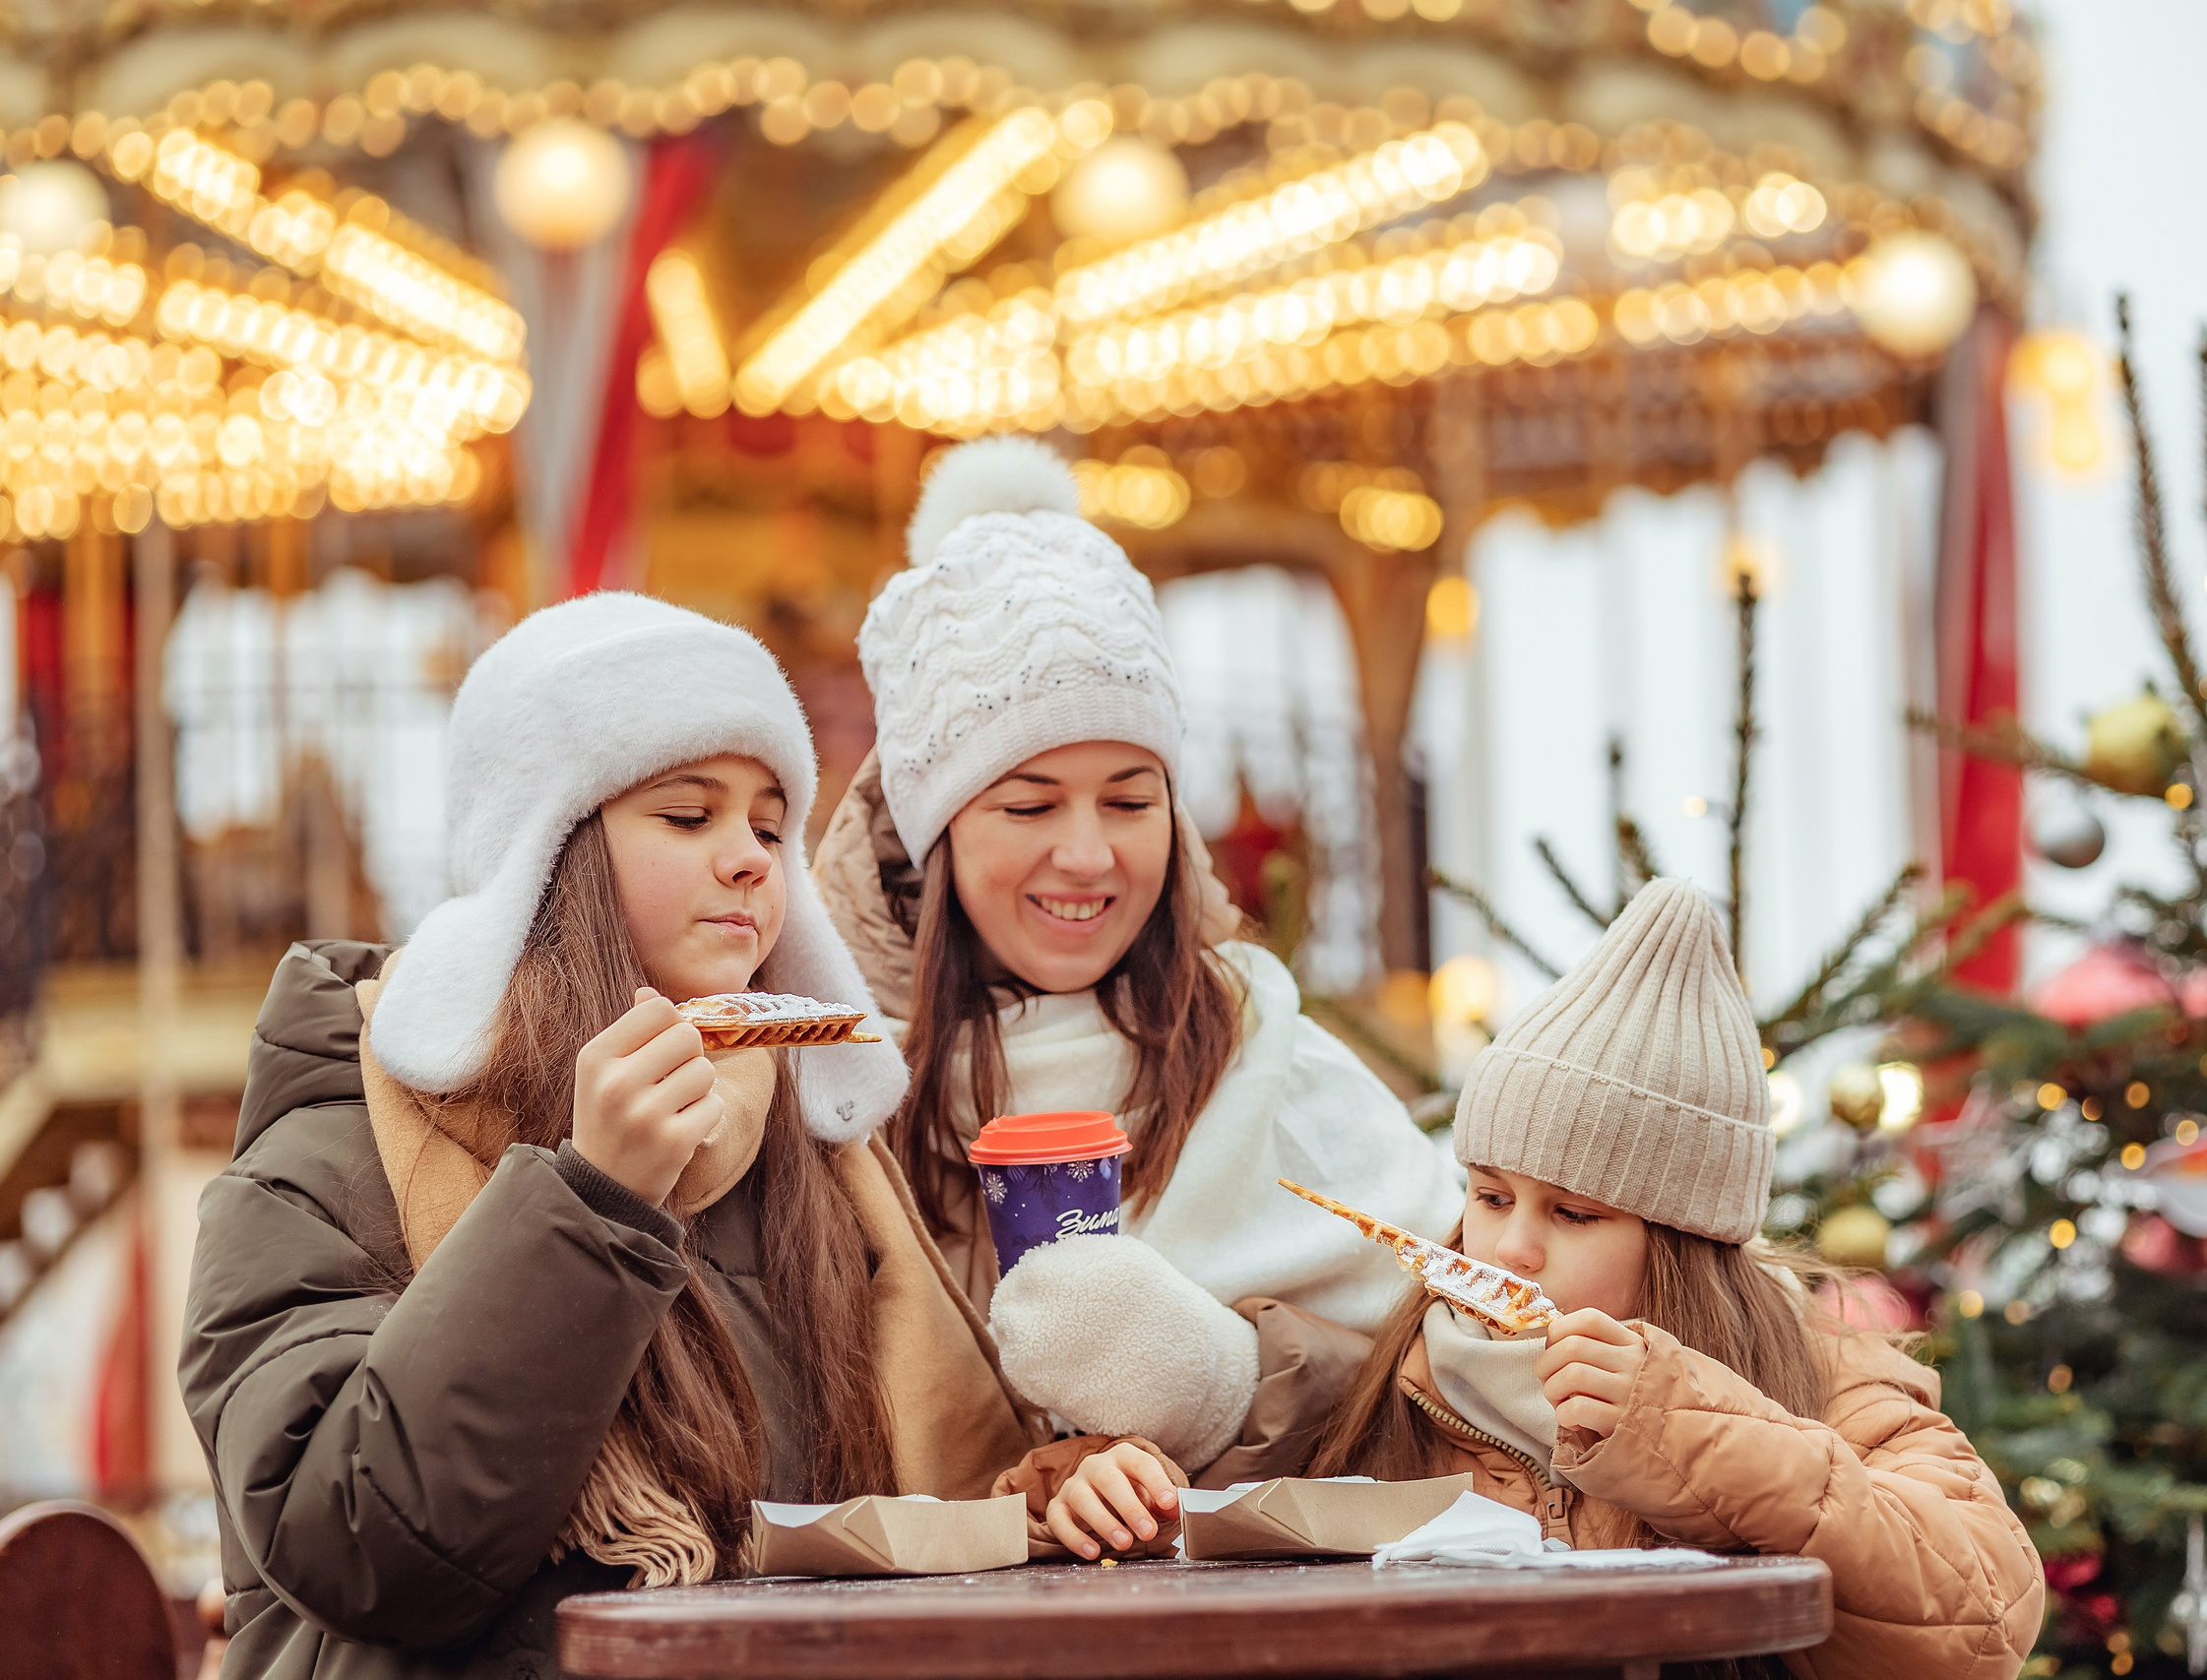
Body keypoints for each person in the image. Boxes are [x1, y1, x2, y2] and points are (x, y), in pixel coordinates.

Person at [181, 595, 1051, 1680]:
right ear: (549, 856)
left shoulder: (812, 1155)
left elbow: (910, 1511)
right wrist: (591, 1205)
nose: (750, 861)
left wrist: (1050, 1490)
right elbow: (357, 1548)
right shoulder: (331, 1154)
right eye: (688, 817)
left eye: (771, 827)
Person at [1043, 880, 2045, 1678]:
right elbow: (1170, 1534)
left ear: (1683, 1243)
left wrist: (1684, 1431)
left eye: (1571, 1214)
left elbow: (1982, 1619)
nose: (1507, 1250)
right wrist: (1090, 1484)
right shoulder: (1364, 1387)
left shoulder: (1831, 1387)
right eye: (1487, 1197)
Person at [814, 435, 1461, 1478]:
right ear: (934, 834)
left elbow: (1452, 1373)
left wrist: (1223, 1384)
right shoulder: (842, 1094)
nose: (1088, 854)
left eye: (1130, 798)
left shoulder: (1269, 1062)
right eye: (1027, 803)